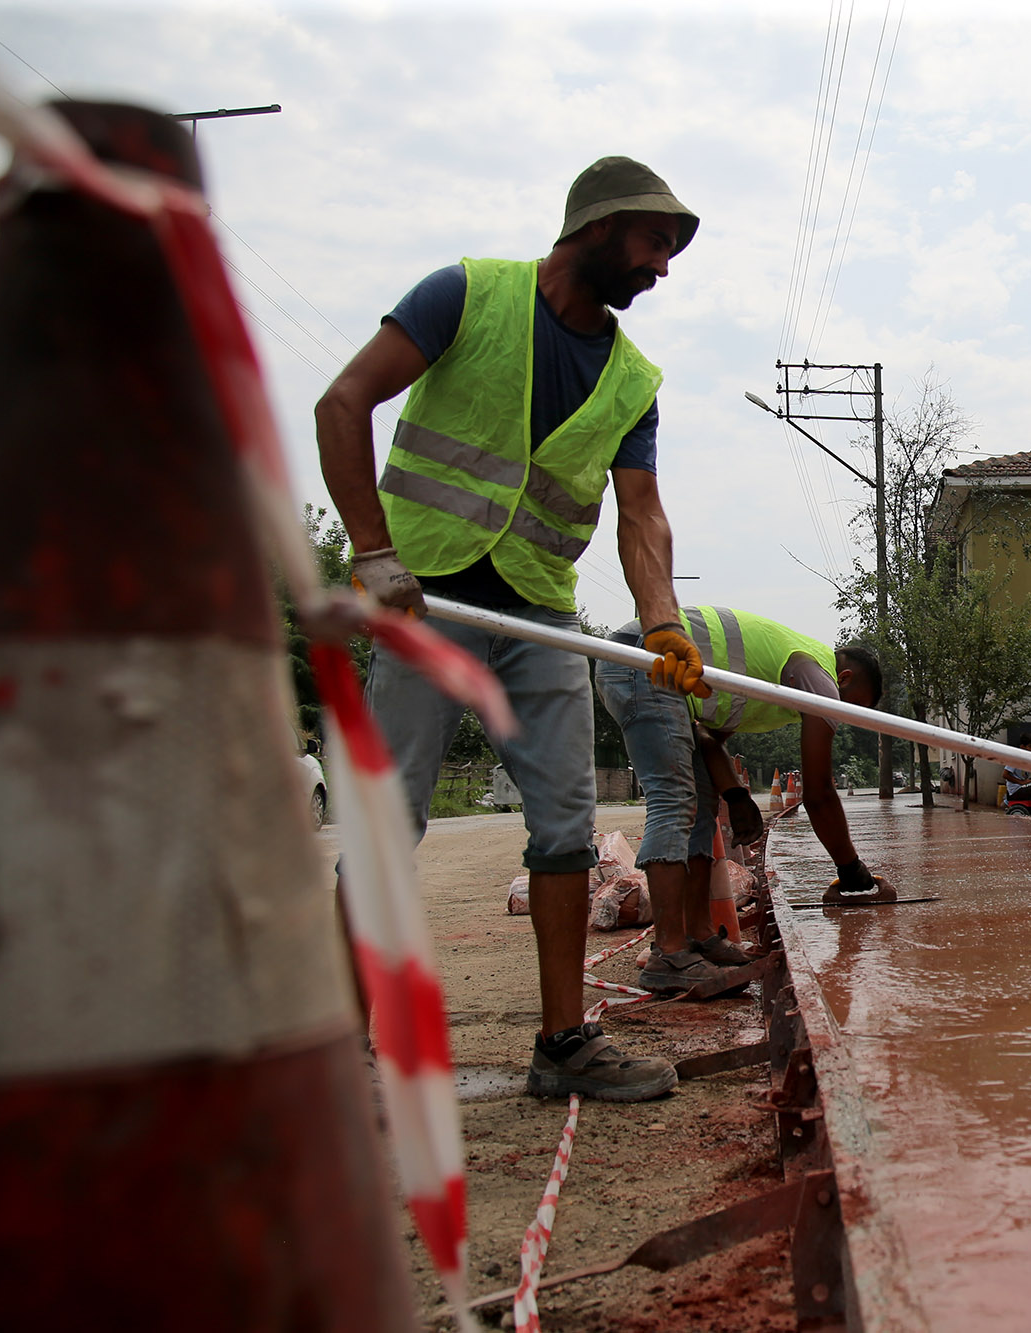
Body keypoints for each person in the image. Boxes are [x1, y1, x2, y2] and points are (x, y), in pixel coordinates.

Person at [316, 156, 708, 1103]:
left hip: (537, 611)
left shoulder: (631, 378)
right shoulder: (466, 295)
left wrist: (661, 621)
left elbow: (642, 510)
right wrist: (371, 552)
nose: (662, 270)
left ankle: (564, 1044)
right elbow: (343, 404)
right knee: (386, 818)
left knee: (567, 827)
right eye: (655, 244)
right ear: (601, 225)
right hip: (426, 597)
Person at [594, 607, 888, 992]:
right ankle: (669, 954)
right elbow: (818, 793)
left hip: (657, 673)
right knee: (673, 801)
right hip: (643, 659)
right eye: (850, 706)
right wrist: (852, 871)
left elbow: (709, 741)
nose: (842, 715)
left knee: (698, 805)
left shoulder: (772, 676)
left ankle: (699, 938)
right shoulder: (816, 677)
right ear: (843, 679)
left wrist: (734, 794)